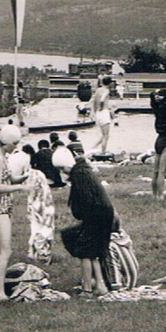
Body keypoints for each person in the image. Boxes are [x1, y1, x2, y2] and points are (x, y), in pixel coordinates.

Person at [60, 146, 115, 296]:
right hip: (103, 213)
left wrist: (80, 214)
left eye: (62, 168)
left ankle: (87, 289)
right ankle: (100, 285)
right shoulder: (85, 170)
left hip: (94, 214)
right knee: (94, 251)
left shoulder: (78, 174)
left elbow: (84, 200)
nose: (62, 172)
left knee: (84, 251)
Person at [0, 124, 33, 302]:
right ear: (6, 143)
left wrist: (23, 177)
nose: (16, 147)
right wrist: (20, 187)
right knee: (6, 250)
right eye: (14, 143)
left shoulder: (1, 157)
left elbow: (8, 178)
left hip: (3, 207)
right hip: (0, 207)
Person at [149, 88, 166, 199]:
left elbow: (152, 98)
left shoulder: (157, 108)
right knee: (162, 171)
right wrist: (165, 94)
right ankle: (160, 195)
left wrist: (155, 94)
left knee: (156, 171)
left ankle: (154, 194)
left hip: (159, 138)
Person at [90, 76, 114, 154]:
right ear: (109, 83)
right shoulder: (106, 90)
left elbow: (93, 102)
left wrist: (93, 112)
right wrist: (101, 106)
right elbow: (102, 99)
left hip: (98, 113)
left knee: (103, 135)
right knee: (106, 135)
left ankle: (92, 148)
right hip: (104, 112)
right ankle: (103, 152)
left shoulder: (98, 90)